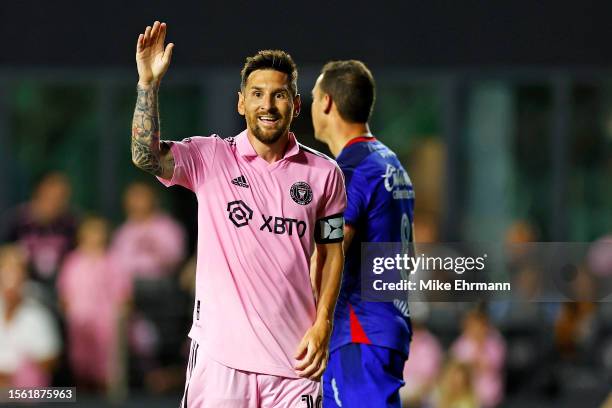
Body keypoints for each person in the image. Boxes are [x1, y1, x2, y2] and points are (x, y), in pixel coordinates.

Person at [131, 21, 346, 407]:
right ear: (240, 102)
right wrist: (148, 84)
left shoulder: (325, 174)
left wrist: (324, 323)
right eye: (257, 94)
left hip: (295, 364)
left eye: (279, 95)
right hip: (220, 362)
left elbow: (331, 252)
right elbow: (145, 156)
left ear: (295, 105)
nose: (267, 105)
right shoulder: (210, 158)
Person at [311, 60, 415, 407]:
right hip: (383, 327)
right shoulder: (391, 163)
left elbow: (333, 244)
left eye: (312, 98)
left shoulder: (351, 170)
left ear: (326, 103)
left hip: (358, 329)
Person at [57, 216, 131, 391]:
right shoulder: (72, 262)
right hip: (79, 321)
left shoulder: (114, 261)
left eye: (98, 232)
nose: (94, 237)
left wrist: (119, 316)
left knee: (107, 368)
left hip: (107, 322)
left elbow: (123, 294)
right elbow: (64, 293)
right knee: (80, 365)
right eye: (90, 233)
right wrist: (70, 315)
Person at [0, 244, 61, 387]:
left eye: (16, 273)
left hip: (25, 390)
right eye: (5, 273)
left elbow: (50, 359)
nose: (10, 281)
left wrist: (20, 374)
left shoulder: (38, 314)